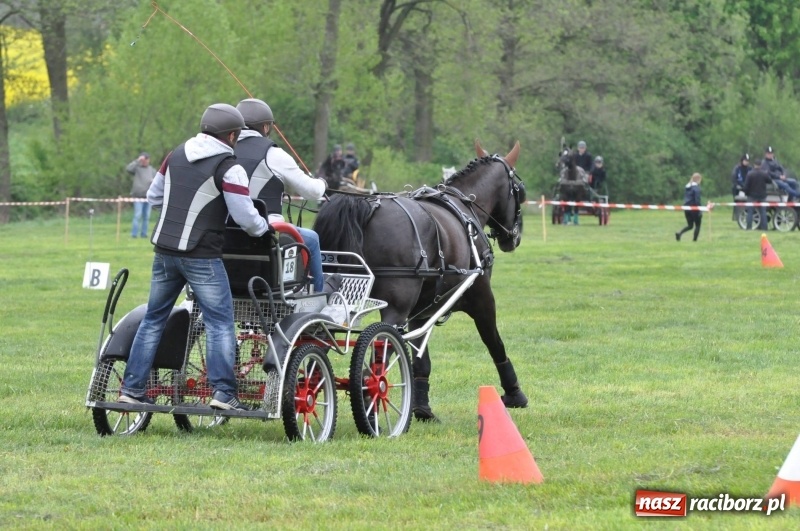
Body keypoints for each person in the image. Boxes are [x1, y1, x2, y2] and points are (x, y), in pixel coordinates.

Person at [120, 103, 271, 411]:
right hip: (202, 255)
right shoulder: (230, 166)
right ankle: (223, 393)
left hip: (164, 251)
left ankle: (132, 389)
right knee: (220, 322)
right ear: (231, 135)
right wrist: (264, 227)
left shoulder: (174, 155)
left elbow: (153, 197)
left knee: (153, 318)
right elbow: (246, 217)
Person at [234, 98, 327, 293]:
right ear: (266, 127)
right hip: (267, 233)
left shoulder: (225, 149)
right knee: (312, 238)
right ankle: (319, 295)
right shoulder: (274, 154)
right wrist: (322, 183)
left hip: (228, 234)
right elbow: (312, 191)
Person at [127, 152, 156, 238]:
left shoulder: (152, 170)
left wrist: (153, 181)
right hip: (138, 196)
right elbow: (128, 169)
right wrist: (137, 160)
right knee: (137, 215)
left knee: (146, 217)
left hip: (148, 197)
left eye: (146, 159)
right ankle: (134, 234)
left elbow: (157, 181)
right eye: (144, 159)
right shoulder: (137, 168)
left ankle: (144, 234)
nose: (145, 161)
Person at [675, 173, 704, 241]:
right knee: (697, 225)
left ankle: (679, 233)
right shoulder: (696, 188)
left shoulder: (688, 187)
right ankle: (694, 240)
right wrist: (699, 210)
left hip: (686, 208)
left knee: (690, 225)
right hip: (694, 208)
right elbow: (697, 200)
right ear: (698, 180)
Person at [743, 164, 771, 230]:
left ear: (754, 165)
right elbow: (769, 181)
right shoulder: (764, 173)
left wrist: (746, 193)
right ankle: (765, 228)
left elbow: (746, 186)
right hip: (762, 195)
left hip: (752, 195)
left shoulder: (750, 174)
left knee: (750, 212)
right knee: (763, 212)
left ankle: (749, 227)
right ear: (760, 165)